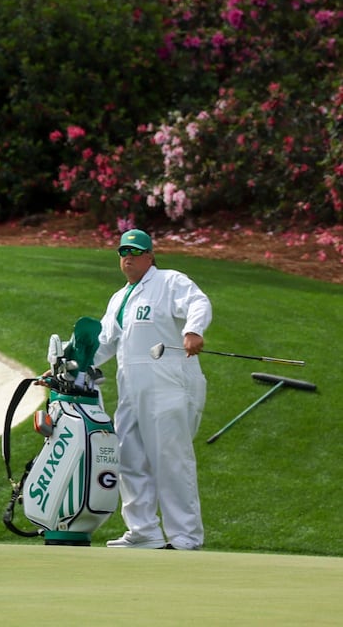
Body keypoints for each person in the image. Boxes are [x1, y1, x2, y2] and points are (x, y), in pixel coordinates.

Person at [94, 227, 212, 550]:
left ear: (150, 256)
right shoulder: (120, 298)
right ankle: (143, 530)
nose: (128, 257)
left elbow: (198, 303)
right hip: (131, 387)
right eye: (123, 252)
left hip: (167, 383)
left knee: (171, 459)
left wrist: (192, 330)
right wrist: (71, 358)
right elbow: (104, 342)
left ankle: (185, 536)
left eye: (134, 252)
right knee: (129, 457)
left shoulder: (169, 282)